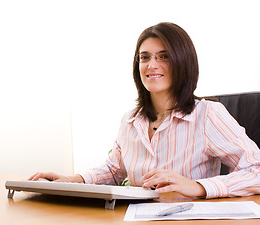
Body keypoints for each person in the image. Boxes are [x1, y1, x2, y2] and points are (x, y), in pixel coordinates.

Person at [29, 22, 260, 199]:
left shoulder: (208, 114)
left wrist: (198, 187)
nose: (152, 65)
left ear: (183, 61)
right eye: (145, 57)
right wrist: (74, 180)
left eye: (164, 57)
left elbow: (256, 171)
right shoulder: (130, 121)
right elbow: (113, 170)